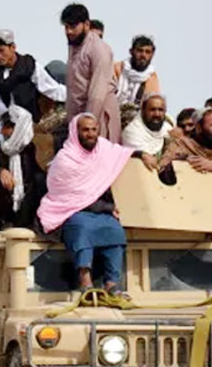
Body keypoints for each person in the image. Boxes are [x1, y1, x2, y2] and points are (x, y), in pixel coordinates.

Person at [37, 113, 158, 293]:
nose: (91, 134)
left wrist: (142, 154)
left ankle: (112, 284)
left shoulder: (103, 148)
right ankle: (85, 282)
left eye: (94, 129)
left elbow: (123, 152)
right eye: (85, 130)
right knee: (82, 227)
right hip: (70, 211)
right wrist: (108, 208)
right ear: (75, 132)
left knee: (114, 229)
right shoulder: (65, 159)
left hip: (100, 211)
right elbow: (75, 197)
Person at [61, 3, 121, 144]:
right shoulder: (74, 44)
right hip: (79, 117)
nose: (68, 31)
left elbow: (97, 92)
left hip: (97, 116)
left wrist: (88, 125)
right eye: (66, 27)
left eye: (73, 27)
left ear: (86, 24)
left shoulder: (99, 49)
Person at [0, 106, 47, 229]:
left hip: (31, 205)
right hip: (8, 206)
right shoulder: (0, 148)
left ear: (19, 127)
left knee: (39, 179)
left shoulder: (37, 145)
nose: (2, 132)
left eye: (6, 128)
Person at [114, 34, 161, 110]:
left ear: (152, 55)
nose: (143, 55)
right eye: (140, 51)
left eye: (147, 52)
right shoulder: (116, 69)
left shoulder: (152, 80)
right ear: (131, 51)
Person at [121, 92, 173, 157]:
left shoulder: (167, 128)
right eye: (152, 110)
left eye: (160, 110)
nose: (157, 114)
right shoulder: (132, 132)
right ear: (143, 111)